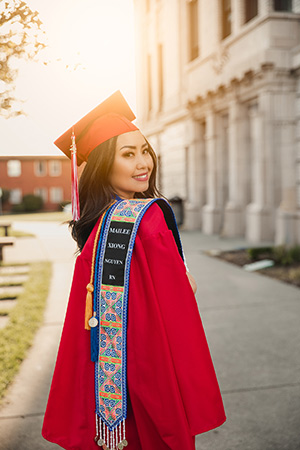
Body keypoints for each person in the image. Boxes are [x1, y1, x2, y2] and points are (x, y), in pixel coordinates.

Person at [42, 91, 226, 450]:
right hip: (148, 382)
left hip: (109, 395)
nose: (144, 163)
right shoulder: (145, 219)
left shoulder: (99, 223)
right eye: (128, 155)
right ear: (102, 165)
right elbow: (172, 311)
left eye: (145, 151)